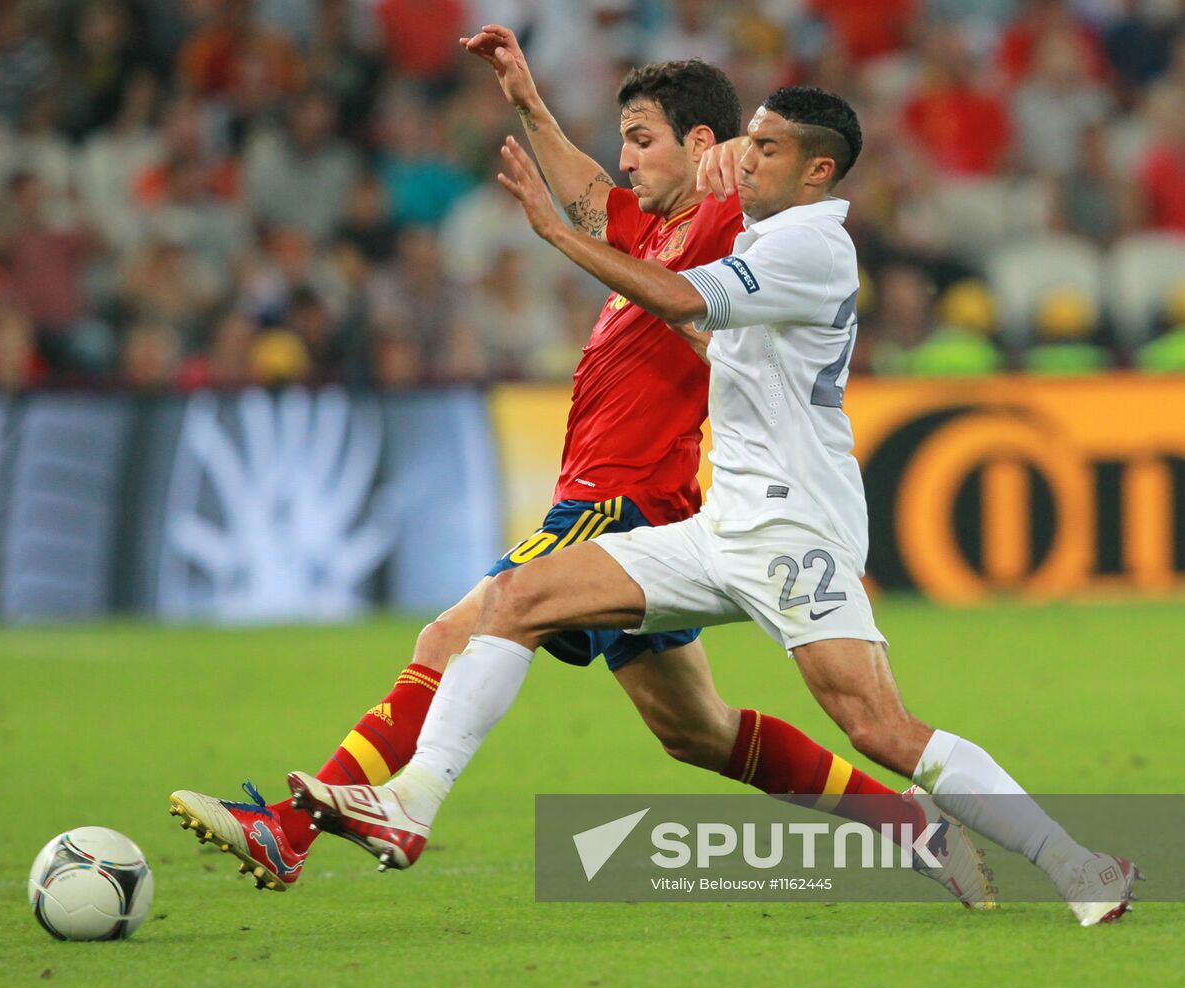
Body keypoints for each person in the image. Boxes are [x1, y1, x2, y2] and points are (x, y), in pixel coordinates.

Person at [171, 32, 991, 907]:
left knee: (456, 634)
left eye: (642, 139)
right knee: (697, 732)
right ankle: (911, 829)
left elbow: (717, 189)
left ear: (707, 148)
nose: (625, 161)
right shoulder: (659, 230)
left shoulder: (724, 217)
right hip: (655, 509)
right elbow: (594, 196)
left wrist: (729, 164)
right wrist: (528, 101)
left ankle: (291, 833)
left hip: (621, 501)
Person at [287, 85, 1139, 928]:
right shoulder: (771, 230)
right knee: (517, 599)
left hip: (793, 530)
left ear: (817, 171)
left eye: (767, 149)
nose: (746, 158)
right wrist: (550, 112)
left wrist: (553, 232)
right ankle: (412, 802)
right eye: (749, 142)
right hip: (721, 526)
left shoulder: (812, 247)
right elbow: (684, 283)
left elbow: (685, 298)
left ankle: (1074, 861)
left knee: (879, 728)